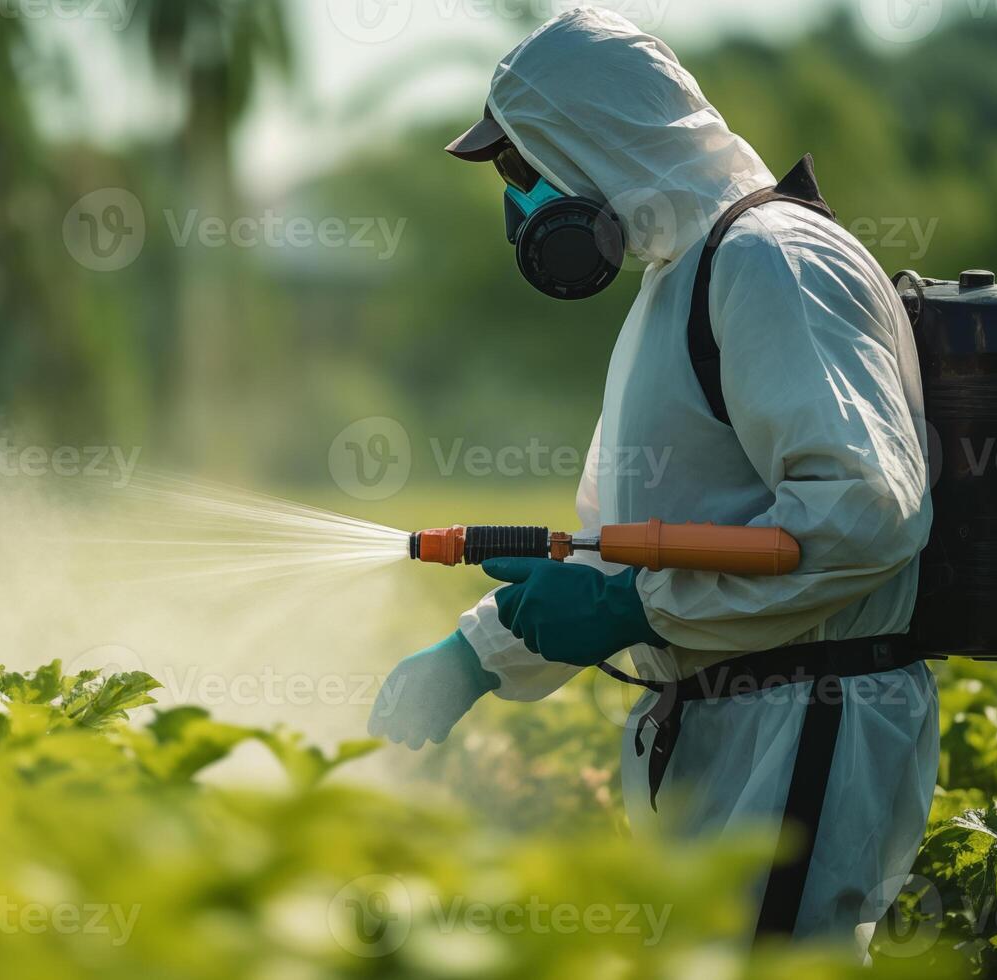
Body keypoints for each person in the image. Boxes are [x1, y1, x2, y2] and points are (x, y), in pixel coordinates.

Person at [368, 7, 939, 955]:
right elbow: (617, 551)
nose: (516, 200)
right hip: (731, 726)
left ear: (593, 135)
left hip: (802, 722)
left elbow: (863, 515)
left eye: (519, 167)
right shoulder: (679, 283)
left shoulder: (770, 261)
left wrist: (638, 611)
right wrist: (482, 653)